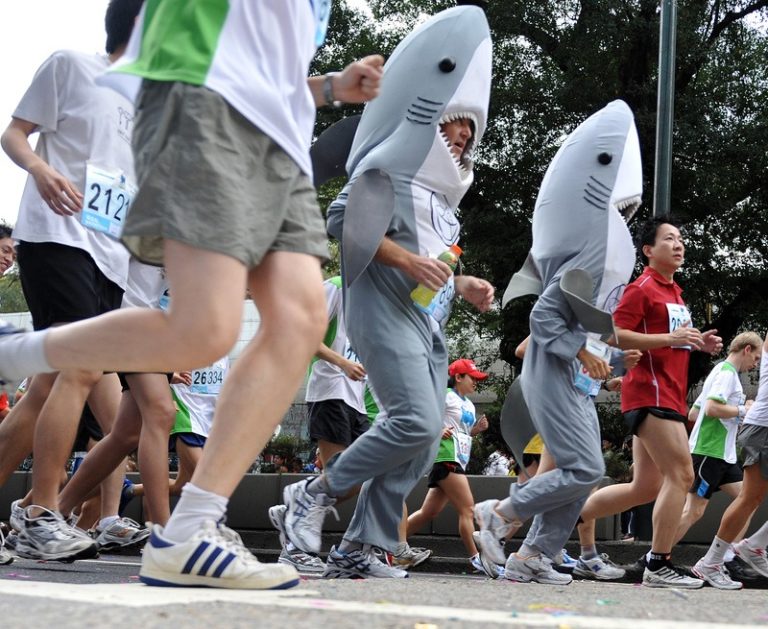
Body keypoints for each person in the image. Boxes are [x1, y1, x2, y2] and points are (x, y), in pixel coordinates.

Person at [0, 1, 383, 589]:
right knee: (168, 352)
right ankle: (45, 495)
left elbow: (266, 70)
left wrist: (330, 86)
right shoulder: (82, 66)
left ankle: (187, 528)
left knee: (285, 320)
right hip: (192, 116)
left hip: (262, 141)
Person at [279, 5, 493, 580]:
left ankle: (361, 544)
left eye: (471, 130)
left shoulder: (445, 205)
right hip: (382, 312)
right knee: (416, 423)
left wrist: (465, 282)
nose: (463, 136)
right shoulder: (390, 165)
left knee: (424, 445)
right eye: (455, 123)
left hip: (429, 327)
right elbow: (342, 222)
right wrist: (406, 259)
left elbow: (438, 264)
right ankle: (311, 495)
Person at [0, 0, 144, 562]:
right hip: (56, 236)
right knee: (79, 367)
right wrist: (39, 167)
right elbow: (15, 133)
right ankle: (38, 513)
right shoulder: (72, 65)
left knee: (46, 388)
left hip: (112, 257)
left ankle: (48, 514)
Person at [576, 216, 723, 589]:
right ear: (648, 250)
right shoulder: (641, 288)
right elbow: (614, 335)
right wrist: (669, 337)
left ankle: (569, 512)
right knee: (683, 476)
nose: (678, 244)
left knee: (645, 488)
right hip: (649, 393)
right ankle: (658, 563)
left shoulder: (675, 292)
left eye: (680, 238)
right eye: (669, 239)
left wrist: (695, 342)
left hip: (668, 393)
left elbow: (670, 339)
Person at [676, 332, 762, 589]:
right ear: (746, 349)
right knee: (694, 511)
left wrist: (734, 412)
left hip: (723, 454)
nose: (756, 364)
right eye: (756, 358)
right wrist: (744, 410)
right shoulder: (727, 374)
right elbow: (712, 409)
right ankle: (654, 559)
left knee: (746, 501)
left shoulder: (719, 372)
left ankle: (721, 558)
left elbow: (695, 411)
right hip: (709, 451)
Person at [406, 359, 493, 575]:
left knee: (428, 512)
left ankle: (390, 544)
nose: (476, 382)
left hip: (457, 458)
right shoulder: (443, 394)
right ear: (458, 377)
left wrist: (476, 430)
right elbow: (421, 414)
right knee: (467, 509)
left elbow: (460, 432)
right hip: (446, 457)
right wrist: (436, 430)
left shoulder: (470, 404)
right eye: (473, 378)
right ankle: (476, 559)